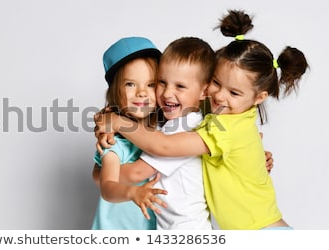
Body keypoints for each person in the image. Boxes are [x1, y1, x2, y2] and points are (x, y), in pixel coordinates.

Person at [94, 10, 309, 230]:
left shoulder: (197, 126)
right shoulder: (208, 119)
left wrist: (115, 125)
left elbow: (161, 147)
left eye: (234, 92)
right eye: (161, 82)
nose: (219, 96)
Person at [113, 37, 216, 230]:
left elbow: (136, 173)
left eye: (180, 86)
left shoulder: (185, 127)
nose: (167, 93)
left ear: (204, 91)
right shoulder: (172, 123)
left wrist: (103, 173)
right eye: (162, 82)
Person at [91, 37, 167, 230]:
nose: (142, 93)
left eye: (150, 84)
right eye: (130, 84)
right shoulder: (115, 142)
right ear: (116, 90)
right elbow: (107, 188)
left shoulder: (164, 129)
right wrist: (132, 193)